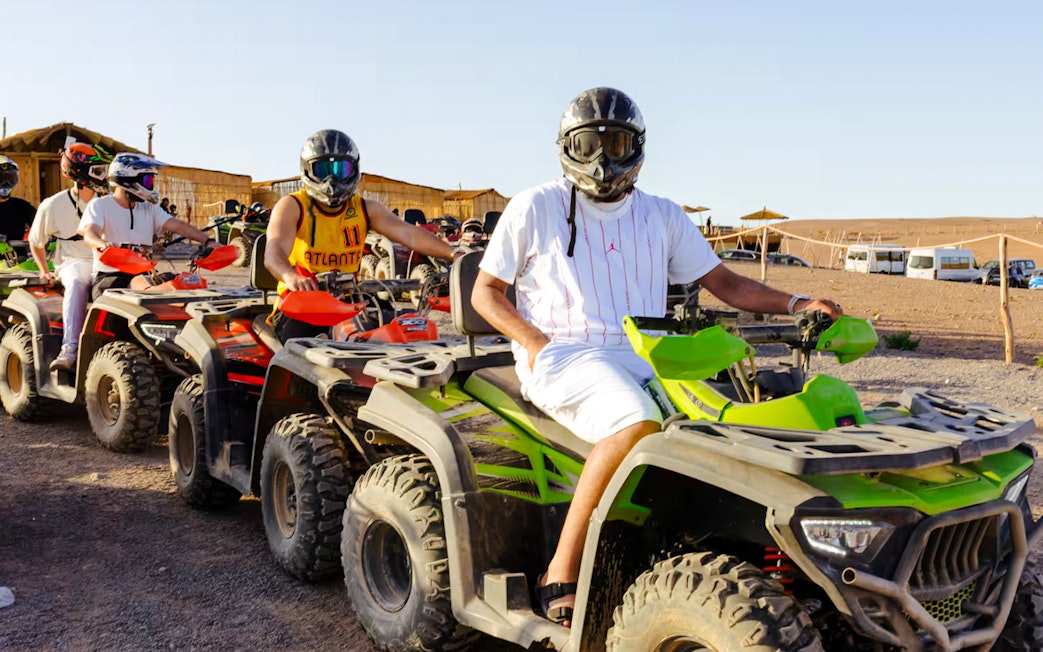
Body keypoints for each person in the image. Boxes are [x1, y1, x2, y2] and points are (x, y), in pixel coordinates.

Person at [471, 87, 842, 627]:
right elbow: (487, 293)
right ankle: (562, 567)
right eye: (589, 144)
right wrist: (534, 343)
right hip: (564, 355)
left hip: (650, 357)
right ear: (567, 148)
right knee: (637, 420)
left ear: (636, 147)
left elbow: (726, 284)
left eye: (615, 142)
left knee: (729, 423)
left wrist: (797, 302)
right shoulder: (535, 206)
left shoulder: (662, 216)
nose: (602, 159)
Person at [264, 129, 464, 342]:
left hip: (351, 301)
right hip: (301, 305)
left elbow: (410, 234)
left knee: (407, 330)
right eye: (323, 169)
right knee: (307, 351)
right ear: (307, 170)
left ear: (354, 169)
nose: (331, 179)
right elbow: (273, 253)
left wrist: (454, 254)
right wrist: (291, 276)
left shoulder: (365, 208)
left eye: (341, 169)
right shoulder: (293, 205)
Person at [80, 153, 217, 300]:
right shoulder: (100, 205)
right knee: (140, 287)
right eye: (147, 180)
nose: (151, 185)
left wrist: (208, 242)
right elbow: (89, 233)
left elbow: (179, 226)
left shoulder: (149, 208)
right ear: (128, 179)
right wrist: (102, 244)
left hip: (144, 275)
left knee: (184, 283)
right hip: (110, 277)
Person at [28, 144, 111, 370]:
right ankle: (70, 349)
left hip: (108, 260)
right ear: (79, 174)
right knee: (76, 281)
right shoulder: (52, 205)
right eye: (98, 171)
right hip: (73, 262)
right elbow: (36, 242)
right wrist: (45, 271)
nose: (104, 176)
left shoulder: (110, 201)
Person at [0, 156, 37, 245]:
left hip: (19, 257)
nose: (5, 184)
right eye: (1, 179)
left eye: (10, 179)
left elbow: (42, 228)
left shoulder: (23, 207)